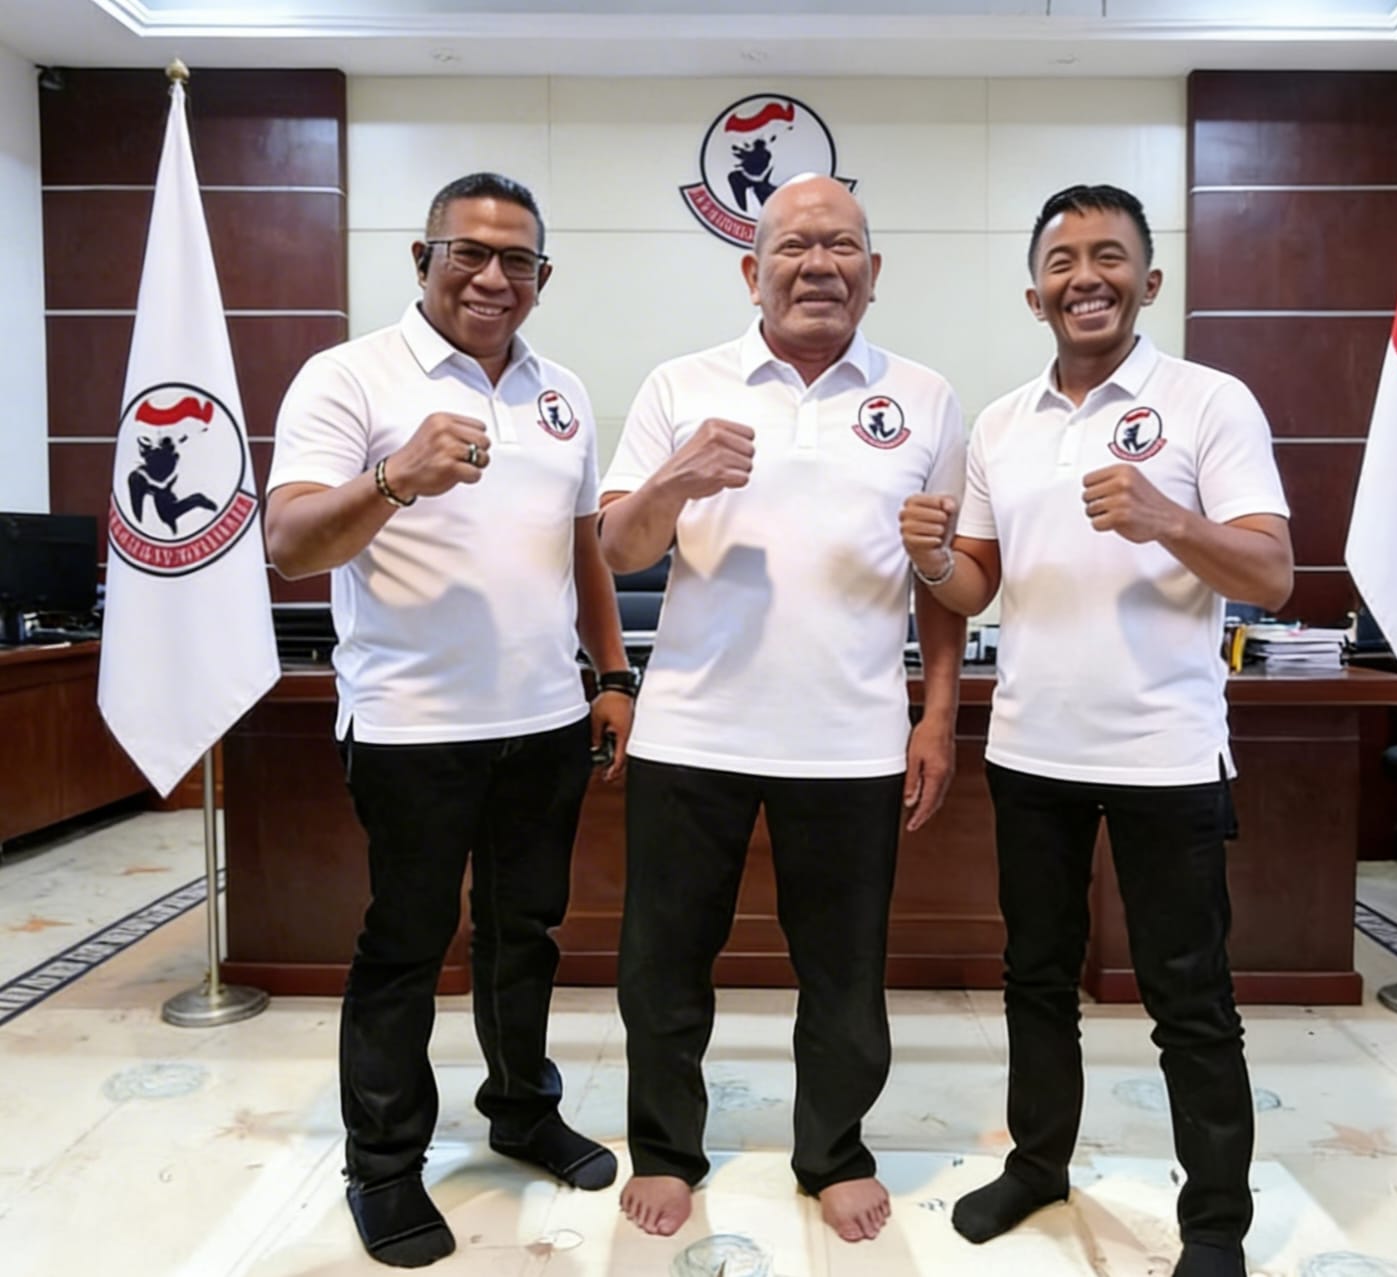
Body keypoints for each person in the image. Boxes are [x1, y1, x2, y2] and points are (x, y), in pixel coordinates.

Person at [900, 184, 1292, 1277]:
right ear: (1035, 295)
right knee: (1035, 975)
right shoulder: (1000, 423)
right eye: (1062, 260)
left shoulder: (1209, 401)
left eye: (1109, 256)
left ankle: (1214, 1223)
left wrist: (1167, 517)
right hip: (1033, 750)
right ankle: (1036, 1164)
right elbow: (975, 585)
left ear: (1147, 281)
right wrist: (931, 557)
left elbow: (1271, 571)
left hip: (1167, 753)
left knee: (1188, 995)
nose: (1086, 276)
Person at [264, 172, 634, 1270]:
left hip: (545, 723)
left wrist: (614, 672)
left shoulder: (562, 391)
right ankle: (384, 1165)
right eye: (467, 252)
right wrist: (395, 477)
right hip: (410, 729)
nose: (491, 276)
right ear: (421, 258)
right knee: (405, 948)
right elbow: (289, 544)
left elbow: (582, 548)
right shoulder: (348, 377)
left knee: (526, 937)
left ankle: (520, 1109)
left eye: (516, 259)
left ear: (543, 276)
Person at [597, 174, 968, 1244]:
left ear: (873, 270)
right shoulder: (681, 384)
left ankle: (833, 1149)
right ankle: (665, 1147)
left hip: (851, 739)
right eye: (794, 246)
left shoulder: (926, 397)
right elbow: (619, 547)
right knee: (662, 963)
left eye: (841, 245)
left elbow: (940, 575)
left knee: (844, 971)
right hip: (693, 732)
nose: (819, 264)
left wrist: (936, 715)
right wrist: (674, 479)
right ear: (750, 269)